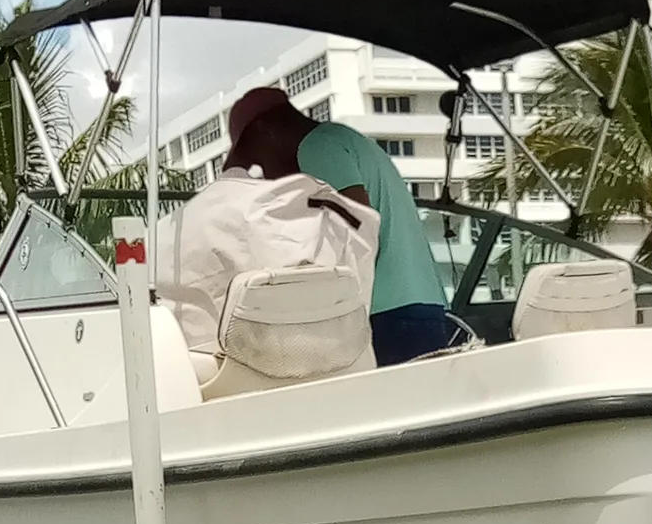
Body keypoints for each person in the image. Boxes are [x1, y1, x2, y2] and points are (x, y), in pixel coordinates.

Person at [157, 87, 378, 386]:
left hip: (222, 391)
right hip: (339, 374)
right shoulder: (309, 201)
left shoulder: (168, 232)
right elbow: (363, 230)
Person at [294, 110, 457, 367]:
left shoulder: (315, 147)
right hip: (425, 301)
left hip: (383, 312)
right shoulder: (354, 142)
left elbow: (357, 225)